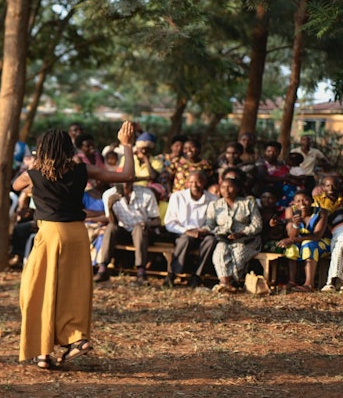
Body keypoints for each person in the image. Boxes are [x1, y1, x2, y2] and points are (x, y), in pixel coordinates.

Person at [13, 123, 136, 370]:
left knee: (37, 291)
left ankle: (43, 351)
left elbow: (16, 186)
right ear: (69, 148)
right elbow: (126, 176)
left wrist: (34, 173)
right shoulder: (83, 169)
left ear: (41, 149)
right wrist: (127, 144)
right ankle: (76, 338)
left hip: (50, 234)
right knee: (74, 289)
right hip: (77, 234)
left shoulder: (34, 173)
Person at [205, 173, 262, 293]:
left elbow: (257, 225)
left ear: (237, 188)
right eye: (223, 187)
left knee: (238, 255)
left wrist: (241, 233)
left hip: (247, 240)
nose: (226, 190)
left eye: (230, 187)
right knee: (219, 253)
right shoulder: (214, 205)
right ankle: (225, 284)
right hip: (224, 238)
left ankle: (230, 283)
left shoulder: (248, 203)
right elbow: (210, 225)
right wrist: (222, 232)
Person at [96, 182, 161, 283]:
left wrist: (146, 224)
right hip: (124, 231)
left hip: (144, 233)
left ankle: (141, 271)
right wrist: (110, 207)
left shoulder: (146, 194)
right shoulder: (109, 194)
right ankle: (103, 268)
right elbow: (114, 222)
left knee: (138, 228)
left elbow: (157, 221)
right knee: (110, 228)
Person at [164, 170, 217, 288]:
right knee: (186, 239)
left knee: (211, 241)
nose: (194, 185)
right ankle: (173, 274)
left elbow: (215, 223)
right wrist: (186, 231)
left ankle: (197, 276)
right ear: (187, 183)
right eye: (191, 182)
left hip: (202, 234)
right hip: (180, 233)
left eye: (198, 182)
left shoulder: (213, 199)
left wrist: (205, 230)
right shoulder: (177, 197)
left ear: (204, 183)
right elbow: (169, 223)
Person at [279, 192, 328, 292]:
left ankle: (309, 284)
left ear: (312, 201)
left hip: (321, 242)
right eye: (298, 201)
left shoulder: (321, 212)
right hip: (300, 241)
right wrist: (295, 225)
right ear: (294, 203)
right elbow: (291, 235)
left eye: (305, 200)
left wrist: (293, 239)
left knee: (308, 244)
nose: (302, 203)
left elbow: (317, 235)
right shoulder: (290, 211)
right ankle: (292, 281)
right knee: (292, 246)